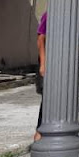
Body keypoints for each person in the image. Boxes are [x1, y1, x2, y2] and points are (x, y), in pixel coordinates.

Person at [34, 11, 47, 142]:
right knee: (47, 98)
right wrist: (43, 64)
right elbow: (40, 38)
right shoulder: (48, 15)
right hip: (48, 64)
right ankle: (38, 134)